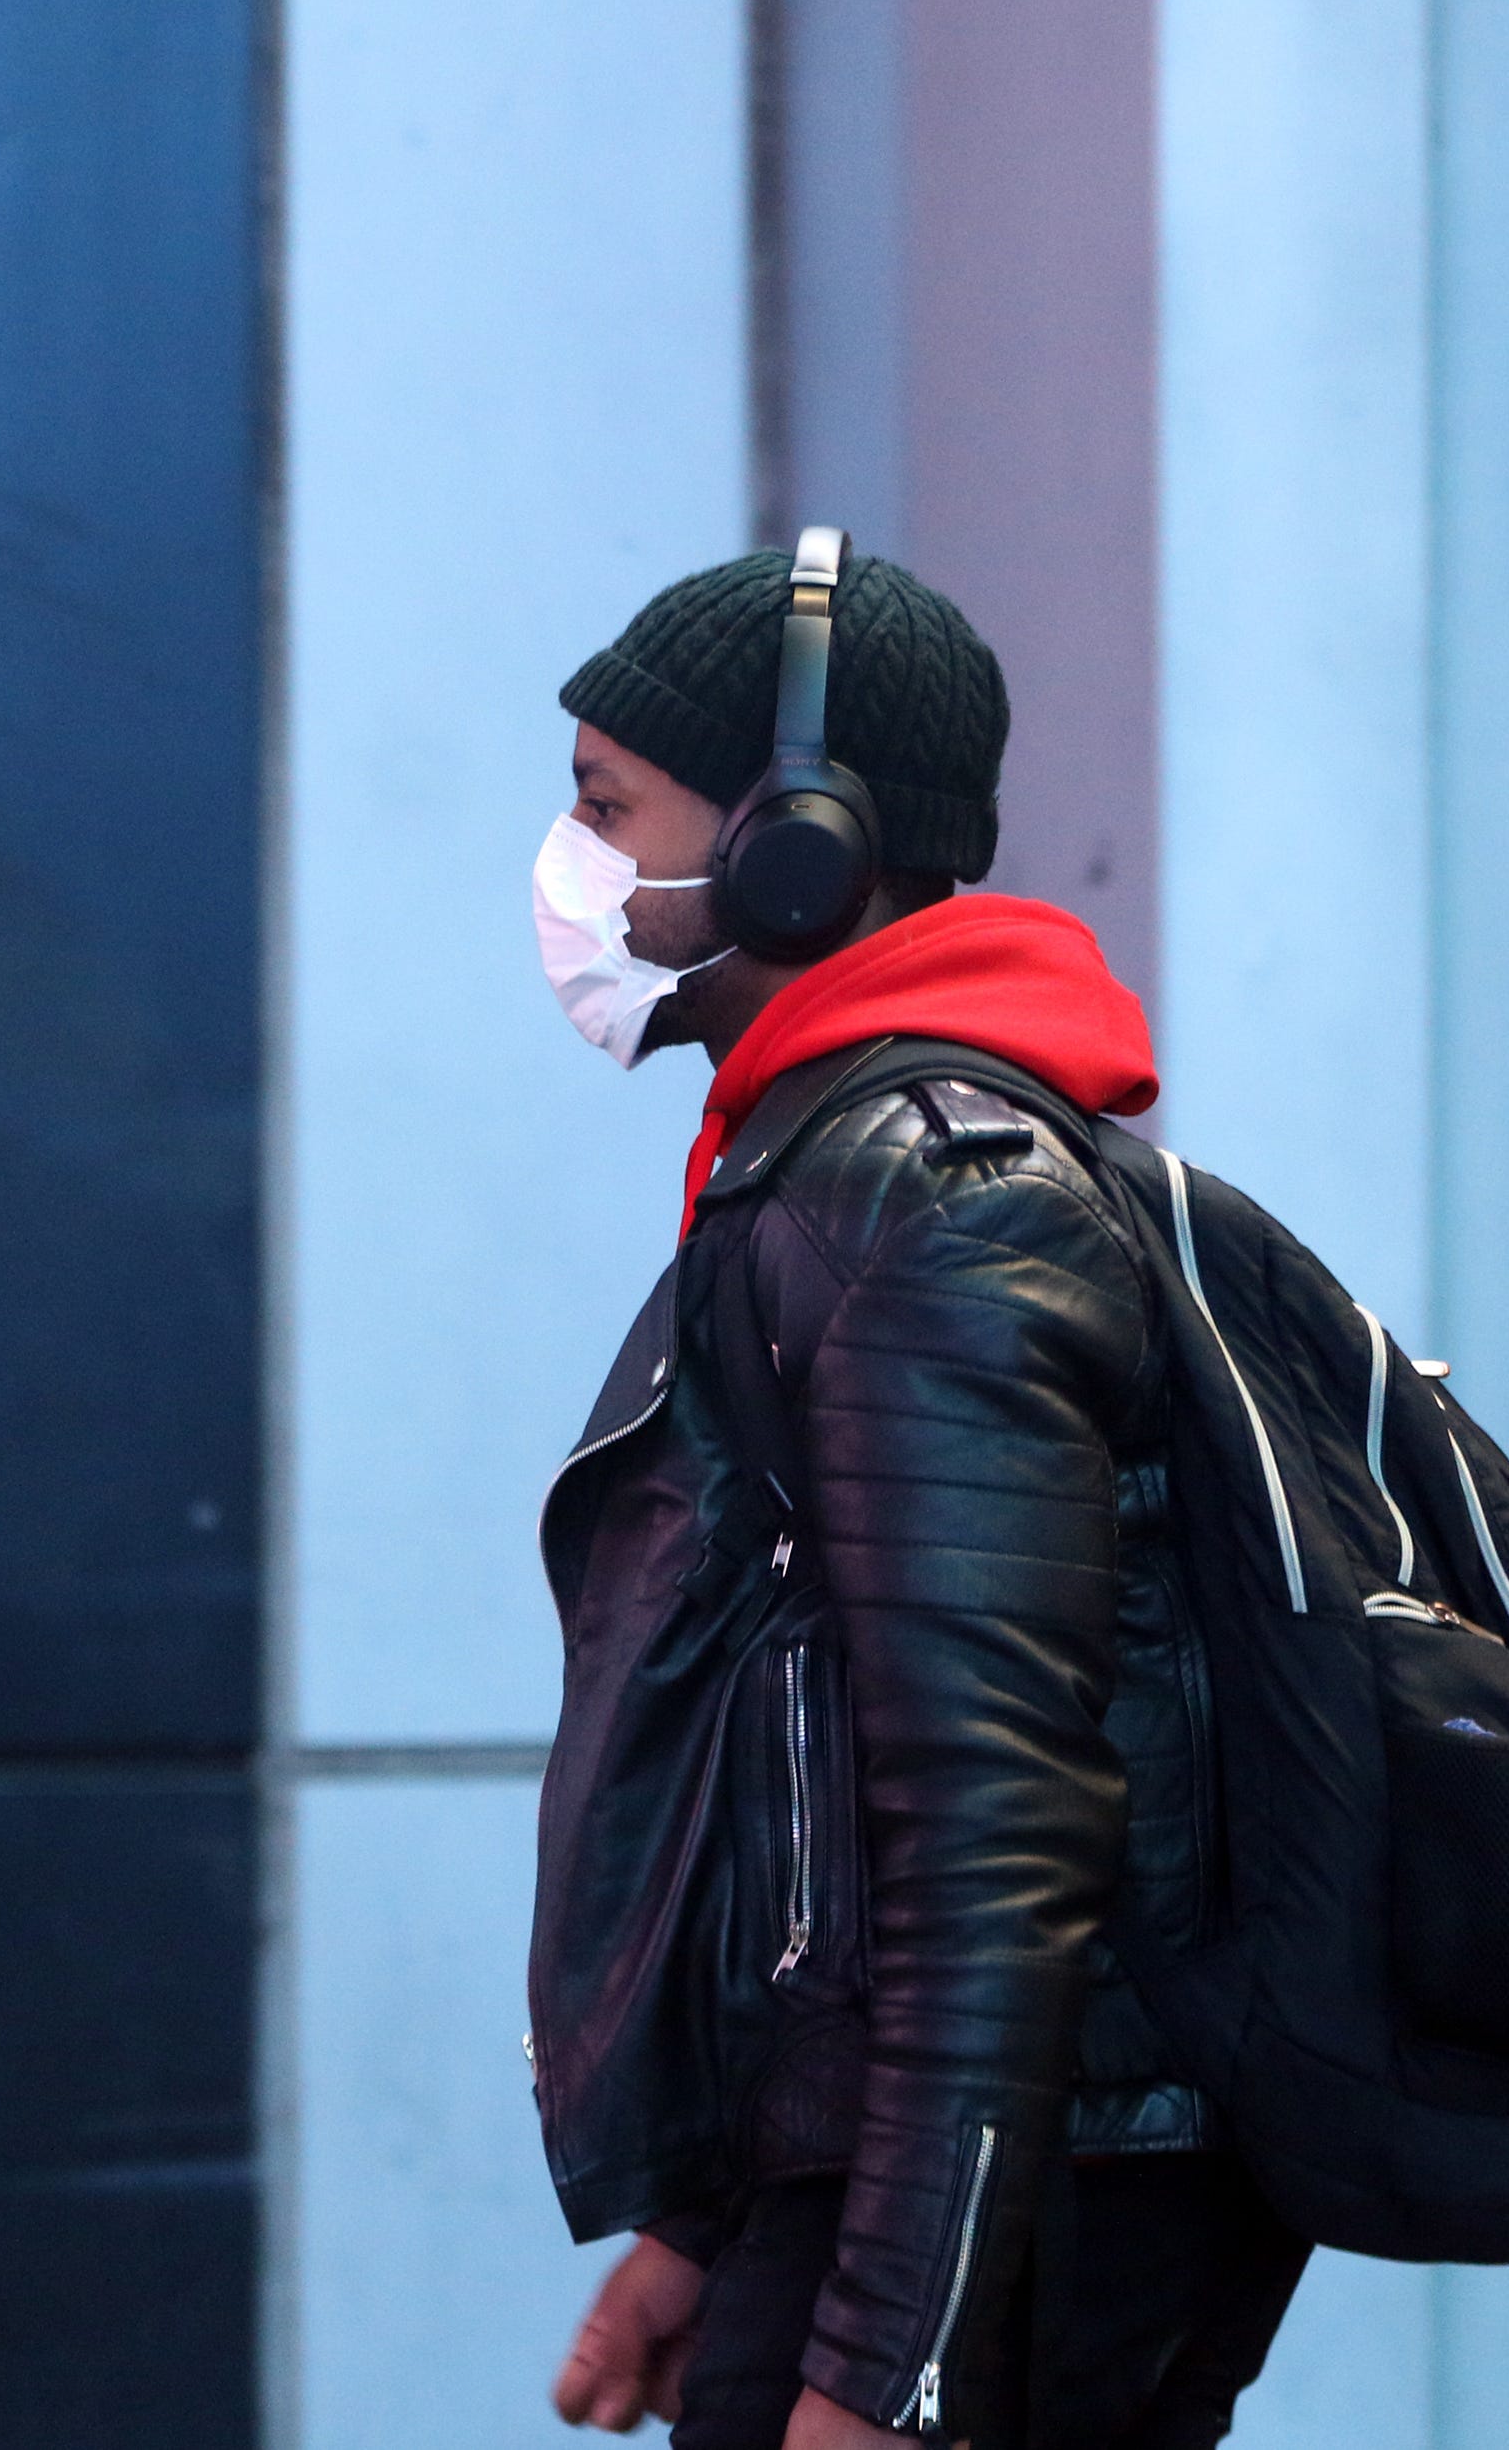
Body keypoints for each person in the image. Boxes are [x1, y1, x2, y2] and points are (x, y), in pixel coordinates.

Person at [523, 545, 1312, 2448]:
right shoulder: (828, 1164)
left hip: (1012, 2225)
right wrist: (713, 2222)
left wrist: (892, 2376)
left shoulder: (930, 1208)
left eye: (605, 808)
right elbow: (831, 1799)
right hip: (910, 2187)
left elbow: (993, 1832)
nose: (569, 867)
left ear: (800, 845)